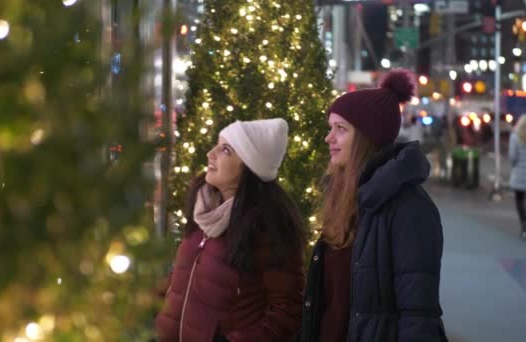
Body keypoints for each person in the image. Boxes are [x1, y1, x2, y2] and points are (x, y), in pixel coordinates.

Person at [300, 69, 448, 342]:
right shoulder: (341, 197)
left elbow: (418, 316)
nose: (328, 138)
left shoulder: (409, 208)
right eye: (330, 128)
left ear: (367, 138)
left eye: (340, 129)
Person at [156, 118, 306, 342]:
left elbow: (287, 310)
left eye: (225, 149)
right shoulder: (203, 210)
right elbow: (184, 277)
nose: (210, 153)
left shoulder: (268, 227)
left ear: (249, 166)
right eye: (217, 144)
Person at [508, 114, 526, 239]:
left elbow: (512, 157)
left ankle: (524, 225)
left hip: (519, 176)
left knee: (519, 201)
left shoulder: (515, 138)